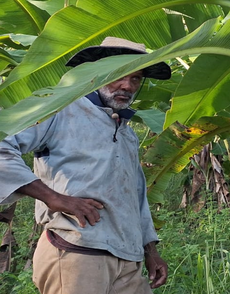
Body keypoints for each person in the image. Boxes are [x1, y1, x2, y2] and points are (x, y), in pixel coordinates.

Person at [0, 37, 172, 294]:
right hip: (76, 250)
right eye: (120, 74)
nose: (127, 85)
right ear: (97, 71)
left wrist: (150, 250)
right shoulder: (60, 110)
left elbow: (136, 195)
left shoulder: (126, 133)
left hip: (127, 259)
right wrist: (54, 198)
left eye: (136, 78)